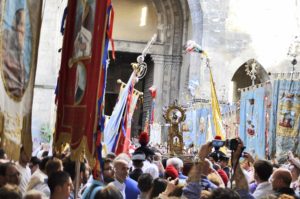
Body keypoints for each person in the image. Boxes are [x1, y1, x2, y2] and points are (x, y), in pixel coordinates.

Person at [2, 8, 28, 98]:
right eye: (21, 25)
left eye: (25, 26)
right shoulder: (6, 38)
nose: (23, 30)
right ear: (15, 26)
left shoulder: (22, 50)